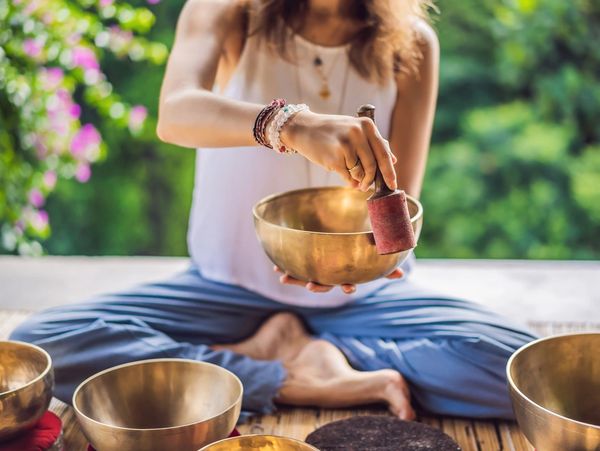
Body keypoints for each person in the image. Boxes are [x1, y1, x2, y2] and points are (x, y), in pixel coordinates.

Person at [11, 0, 536, 420]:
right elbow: (175, 114)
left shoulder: (413, 42)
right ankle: (284, 370)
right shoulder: (228, 11)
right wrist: (292, 125)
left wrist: (373, 256)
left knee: (527, 372)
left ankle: (324, 357)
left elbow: (400, 201)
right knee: (41, 342)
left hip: (364, 302)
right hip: (224, 287)